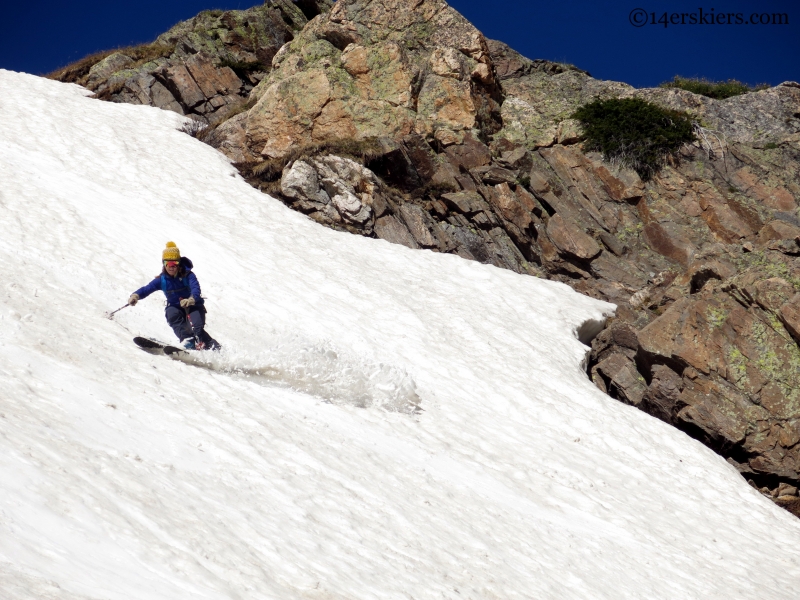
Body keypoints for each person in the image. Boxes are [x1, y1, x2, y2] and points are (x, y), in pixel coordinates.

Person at [128, 242, 220, 350]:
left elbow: (196, 289)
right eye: (168, 263)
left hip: (194, 306)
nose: (171, 267)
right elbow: (147, 289)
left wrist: (191, 299)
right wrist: (136, 296)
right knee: (172, 314)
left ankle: (212, 348)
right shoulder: (162, 280)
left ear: (179, 263)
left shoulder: (188, 275)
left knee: (196, 327)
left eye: (175, 263)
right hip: (176, 307)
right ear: (164, 264)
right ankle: (188, 342)